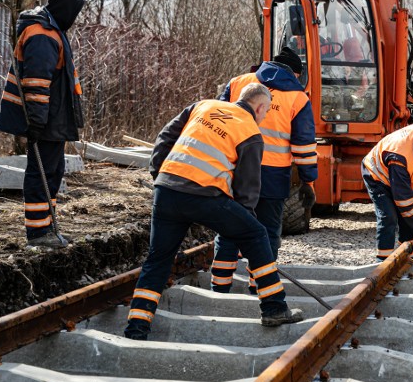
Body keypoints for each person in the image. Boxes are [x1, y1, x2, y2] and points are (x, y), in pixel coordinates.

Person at [124, 84, 304, 340]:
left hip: (167, 190)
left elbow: (165, 137)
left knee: (157, 261)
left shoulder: (202, 106)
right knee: (256, 234)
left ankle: (136, 327)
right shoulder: (250, 130)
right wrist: (244, 224)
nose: (264, 118)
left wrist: (159, 174)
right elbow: (248, 188)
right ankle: (274, 307)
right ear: (260, 106)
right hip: (205, 196)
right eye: (265, 113)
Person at [210, 47, 318, 293]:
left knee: (230, 228)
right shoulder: (298, 97)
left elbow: (216, 119)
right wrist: (307, 181)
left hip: (235, 169)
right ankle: (259, 287)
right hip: (272, 176)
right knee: (268, 233)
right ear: (296, 73)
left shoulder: (239, 83)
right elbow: (304, 145)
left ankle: (219, 287)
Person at [0, 0, 85, 249]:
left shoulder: (52, 31)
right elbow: (36, 83)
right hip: (45, 119)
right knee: (42, 173)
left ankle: (49, 226)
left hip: (54, 118)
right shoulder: (42, 35)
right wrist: (36, 122)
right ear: (64, 10)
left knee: (53, 171)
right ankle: (37, 233)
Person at [361, 122, 413, 261]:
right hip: (377, 175)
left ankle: (408, 251)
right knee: (389, 216)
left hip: (401, 175)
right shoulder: (399, 155)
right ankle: (383, 260)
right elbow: (403, 200)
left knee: (411, 211)